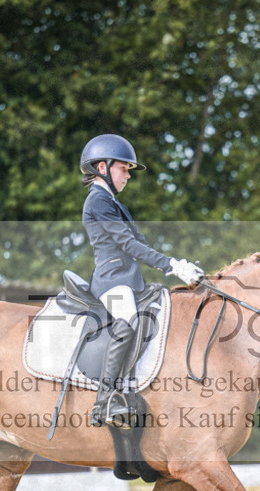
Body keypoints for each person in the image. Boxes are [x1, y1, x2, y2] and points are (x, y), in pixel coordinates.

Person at [80, 133, 203, 427]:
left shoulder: (113, 202)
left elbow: (140, 243)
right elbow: (127, 244)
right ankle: (104, 401)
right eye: (123, 168)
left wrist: (178, 265)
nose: (128, 175)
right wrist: (171, 265)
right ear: (102, 167)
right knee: (128, 320)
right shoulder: (98, 201)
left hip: (128, 280)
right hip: (111, 280)